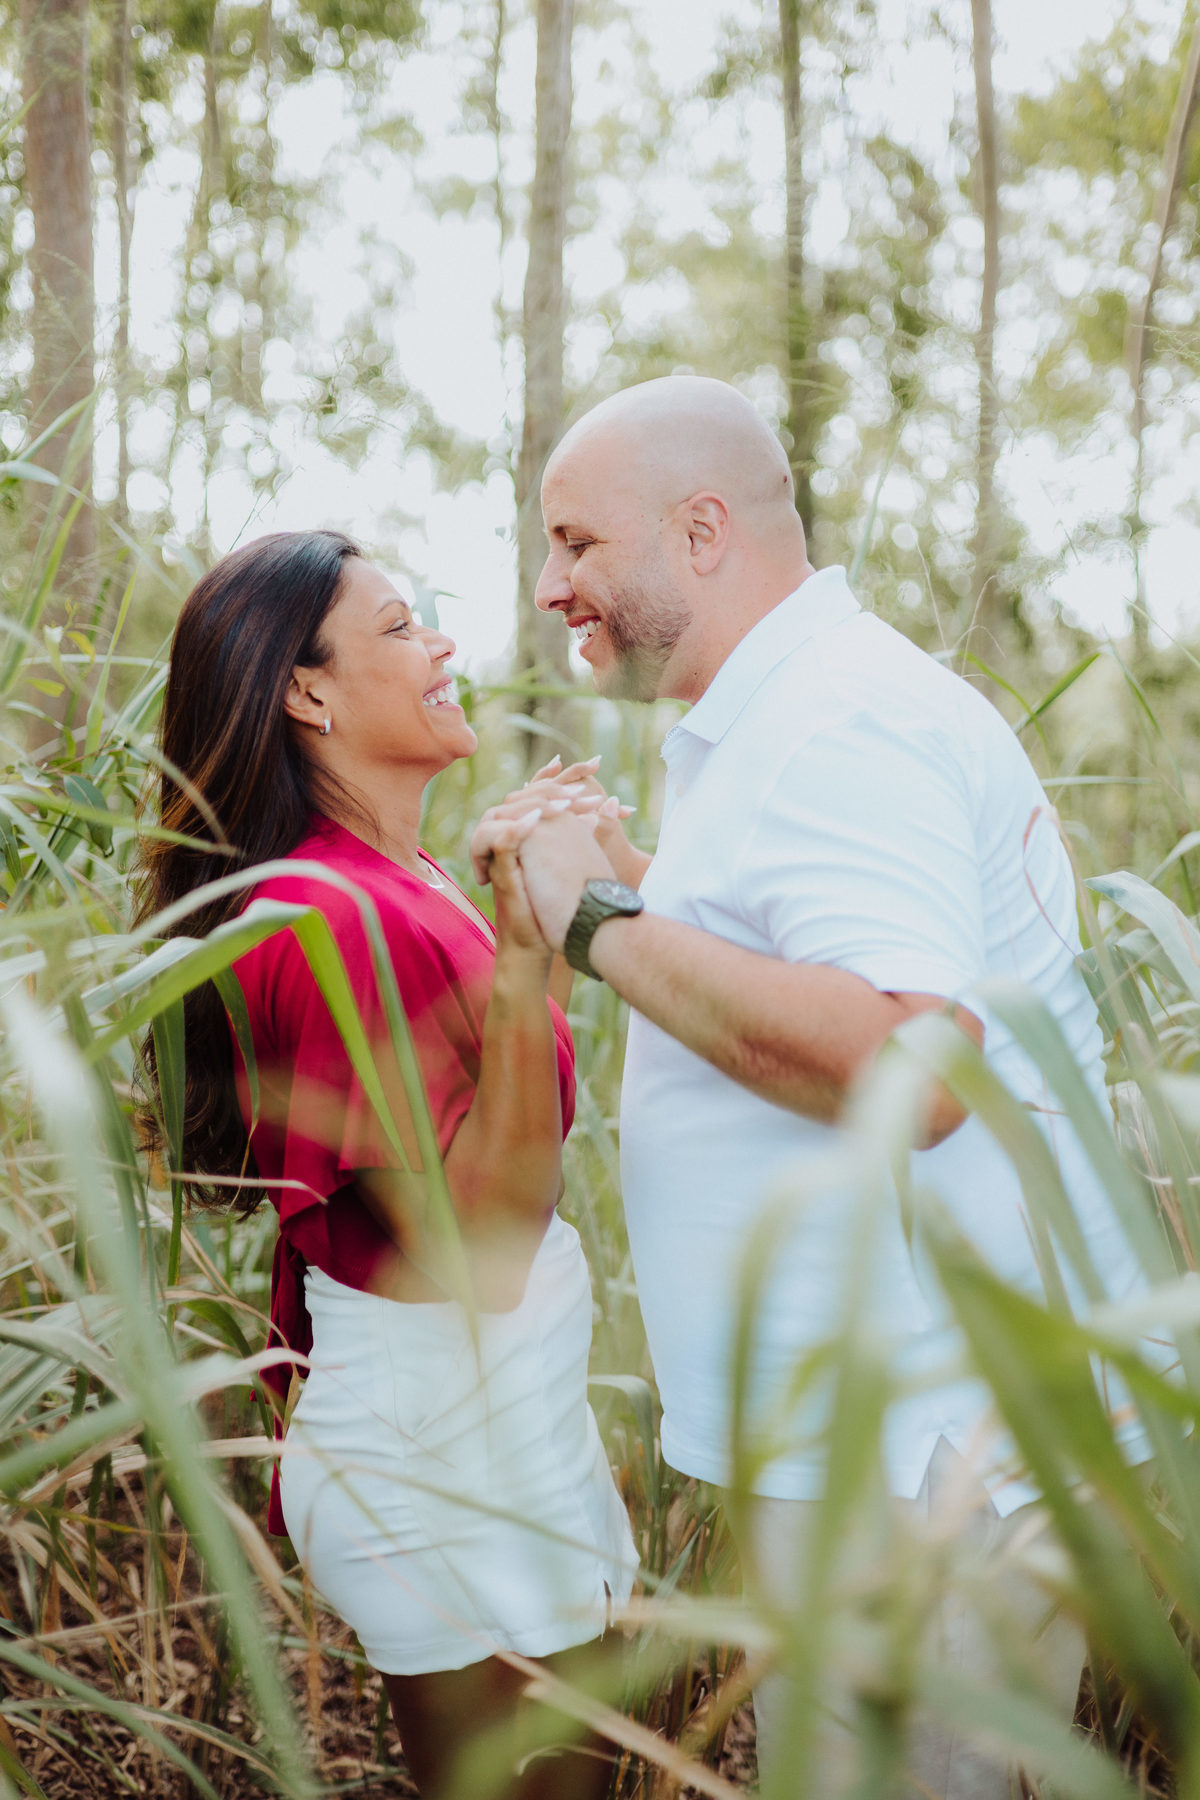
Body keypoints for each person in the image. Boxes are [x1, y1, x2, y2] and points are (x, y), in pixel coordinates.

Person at [479, 376, 1149, 1798]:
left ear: (702, 529)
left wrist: (600, 923)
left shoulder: (840, 724)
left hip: (921, 1463)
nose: (551, 585)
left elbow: (917, 1061)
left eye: (578, 543)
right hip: (881, 1440)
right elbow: (815, 975)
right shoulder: (785, 714)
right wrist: (639, 887)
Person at [134, 529, 637, 1800]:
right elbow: (483, 1250)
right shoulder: (326, 916)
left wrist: (567, 890)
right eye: (404, 627)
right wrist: (529, 958)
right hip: (445, 1441)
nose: (445, 647)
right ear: (305, 692)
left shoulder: (397, 880)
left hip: (486, 1425)